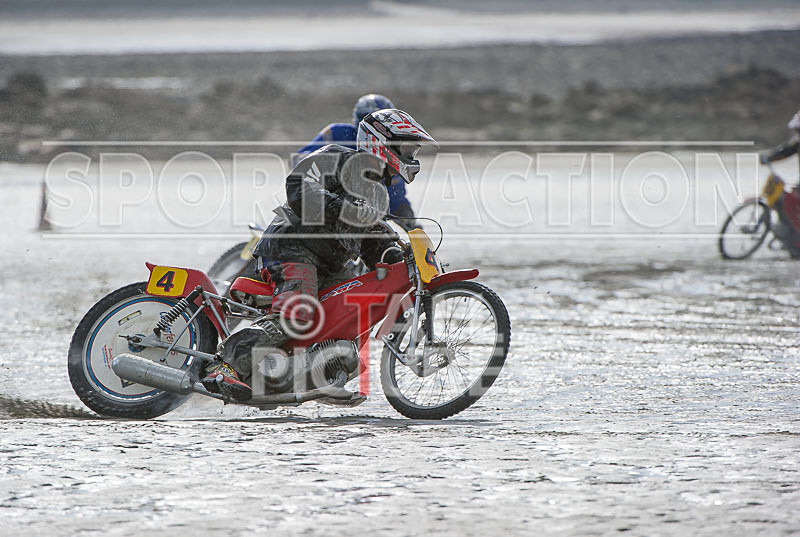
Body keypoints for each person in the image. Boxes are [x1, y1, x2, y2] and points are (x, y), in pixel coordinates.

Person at [202, 109, 437, 400]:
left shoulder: (378, 193)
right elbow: (298, 185)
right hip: (292, 248)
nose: (412, 156)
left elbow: (371, 239)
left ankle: (304, 376)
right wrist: (342, 206)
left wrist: (400, 254)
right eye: (407, 148)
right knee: (297, 316)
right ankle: (224, 365)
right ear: (382, 142)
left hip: (331, 264)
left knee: (344, 319)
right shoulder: (339, 158)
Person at [295, 94, 420, 230]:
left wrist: (409, 221)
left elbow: (396, 196)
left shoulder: (392, 155)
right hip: (324, 201)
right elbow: (300, 159)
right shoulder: (337, 132)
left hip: (362, 212)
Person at [761, 110, 800, 255]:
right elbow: (785, 150)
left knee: (791, 202)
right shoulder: (797, 142)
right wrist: (769, 156)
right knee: (783, 200)